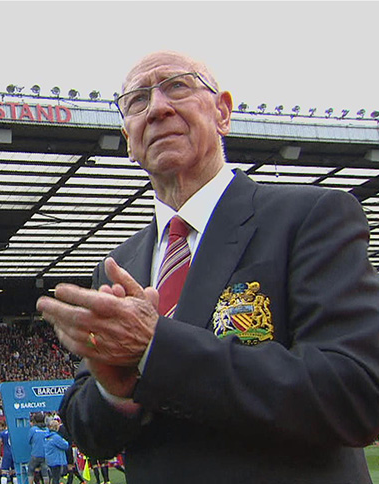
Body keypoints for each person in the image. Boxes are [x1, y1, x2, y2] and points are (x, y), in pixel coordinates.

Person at [38, 50, 379, 484]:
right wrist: (116, 390)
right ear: (128, 138)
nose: (158, 107)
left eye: (177, 86)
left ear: (222, 112)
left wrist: (155, 350)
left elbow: (356, 394)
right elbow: (88, 433)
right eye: (137, 101)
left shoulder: (311, 218)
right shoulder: (118, 266)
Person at [26, 414, 48, 484]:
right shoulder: (47, 430)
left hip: (35, 453)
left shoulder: (33, 429)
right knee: (45, 472)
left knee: (31, 470)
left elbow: (29, 440)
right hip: (45, 454)